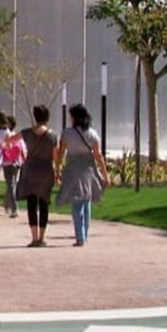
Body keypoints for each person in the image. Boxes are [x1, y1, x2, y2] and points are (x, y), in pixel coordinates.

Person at [55, 103, 111, 246]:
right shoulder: (92, 134)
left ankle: (80, 236)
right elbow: (98, 155)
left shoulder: (67, 133)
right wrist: (105, 174)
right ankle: (84, 234)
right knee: (86, 200)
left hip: (73, 168)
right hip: (88, 168)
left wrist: (57, 169)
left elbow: (61, 153)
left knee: (77, 202)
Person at [15, 104, 58, 247]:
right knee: (44, 203)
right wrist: (58, 171)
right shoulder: (52, 135)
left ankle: (34, 237)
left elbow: (10, 139)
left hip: (30, 170)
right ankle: (42, 237)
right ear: (47, 117)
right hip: (46, 170)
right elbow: (55, 156)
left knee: (31, 204)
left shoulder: (27, 132)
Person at [0, 115, 26, 218]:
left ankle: (14, 208)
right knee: (11, 184)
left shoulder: (5, 136)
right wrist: (24, 160)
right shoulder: (16, 136)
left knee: (11, 185)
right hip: (16, 162)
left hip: (8, 163)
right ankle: (7, 205)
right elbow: (22, 149)